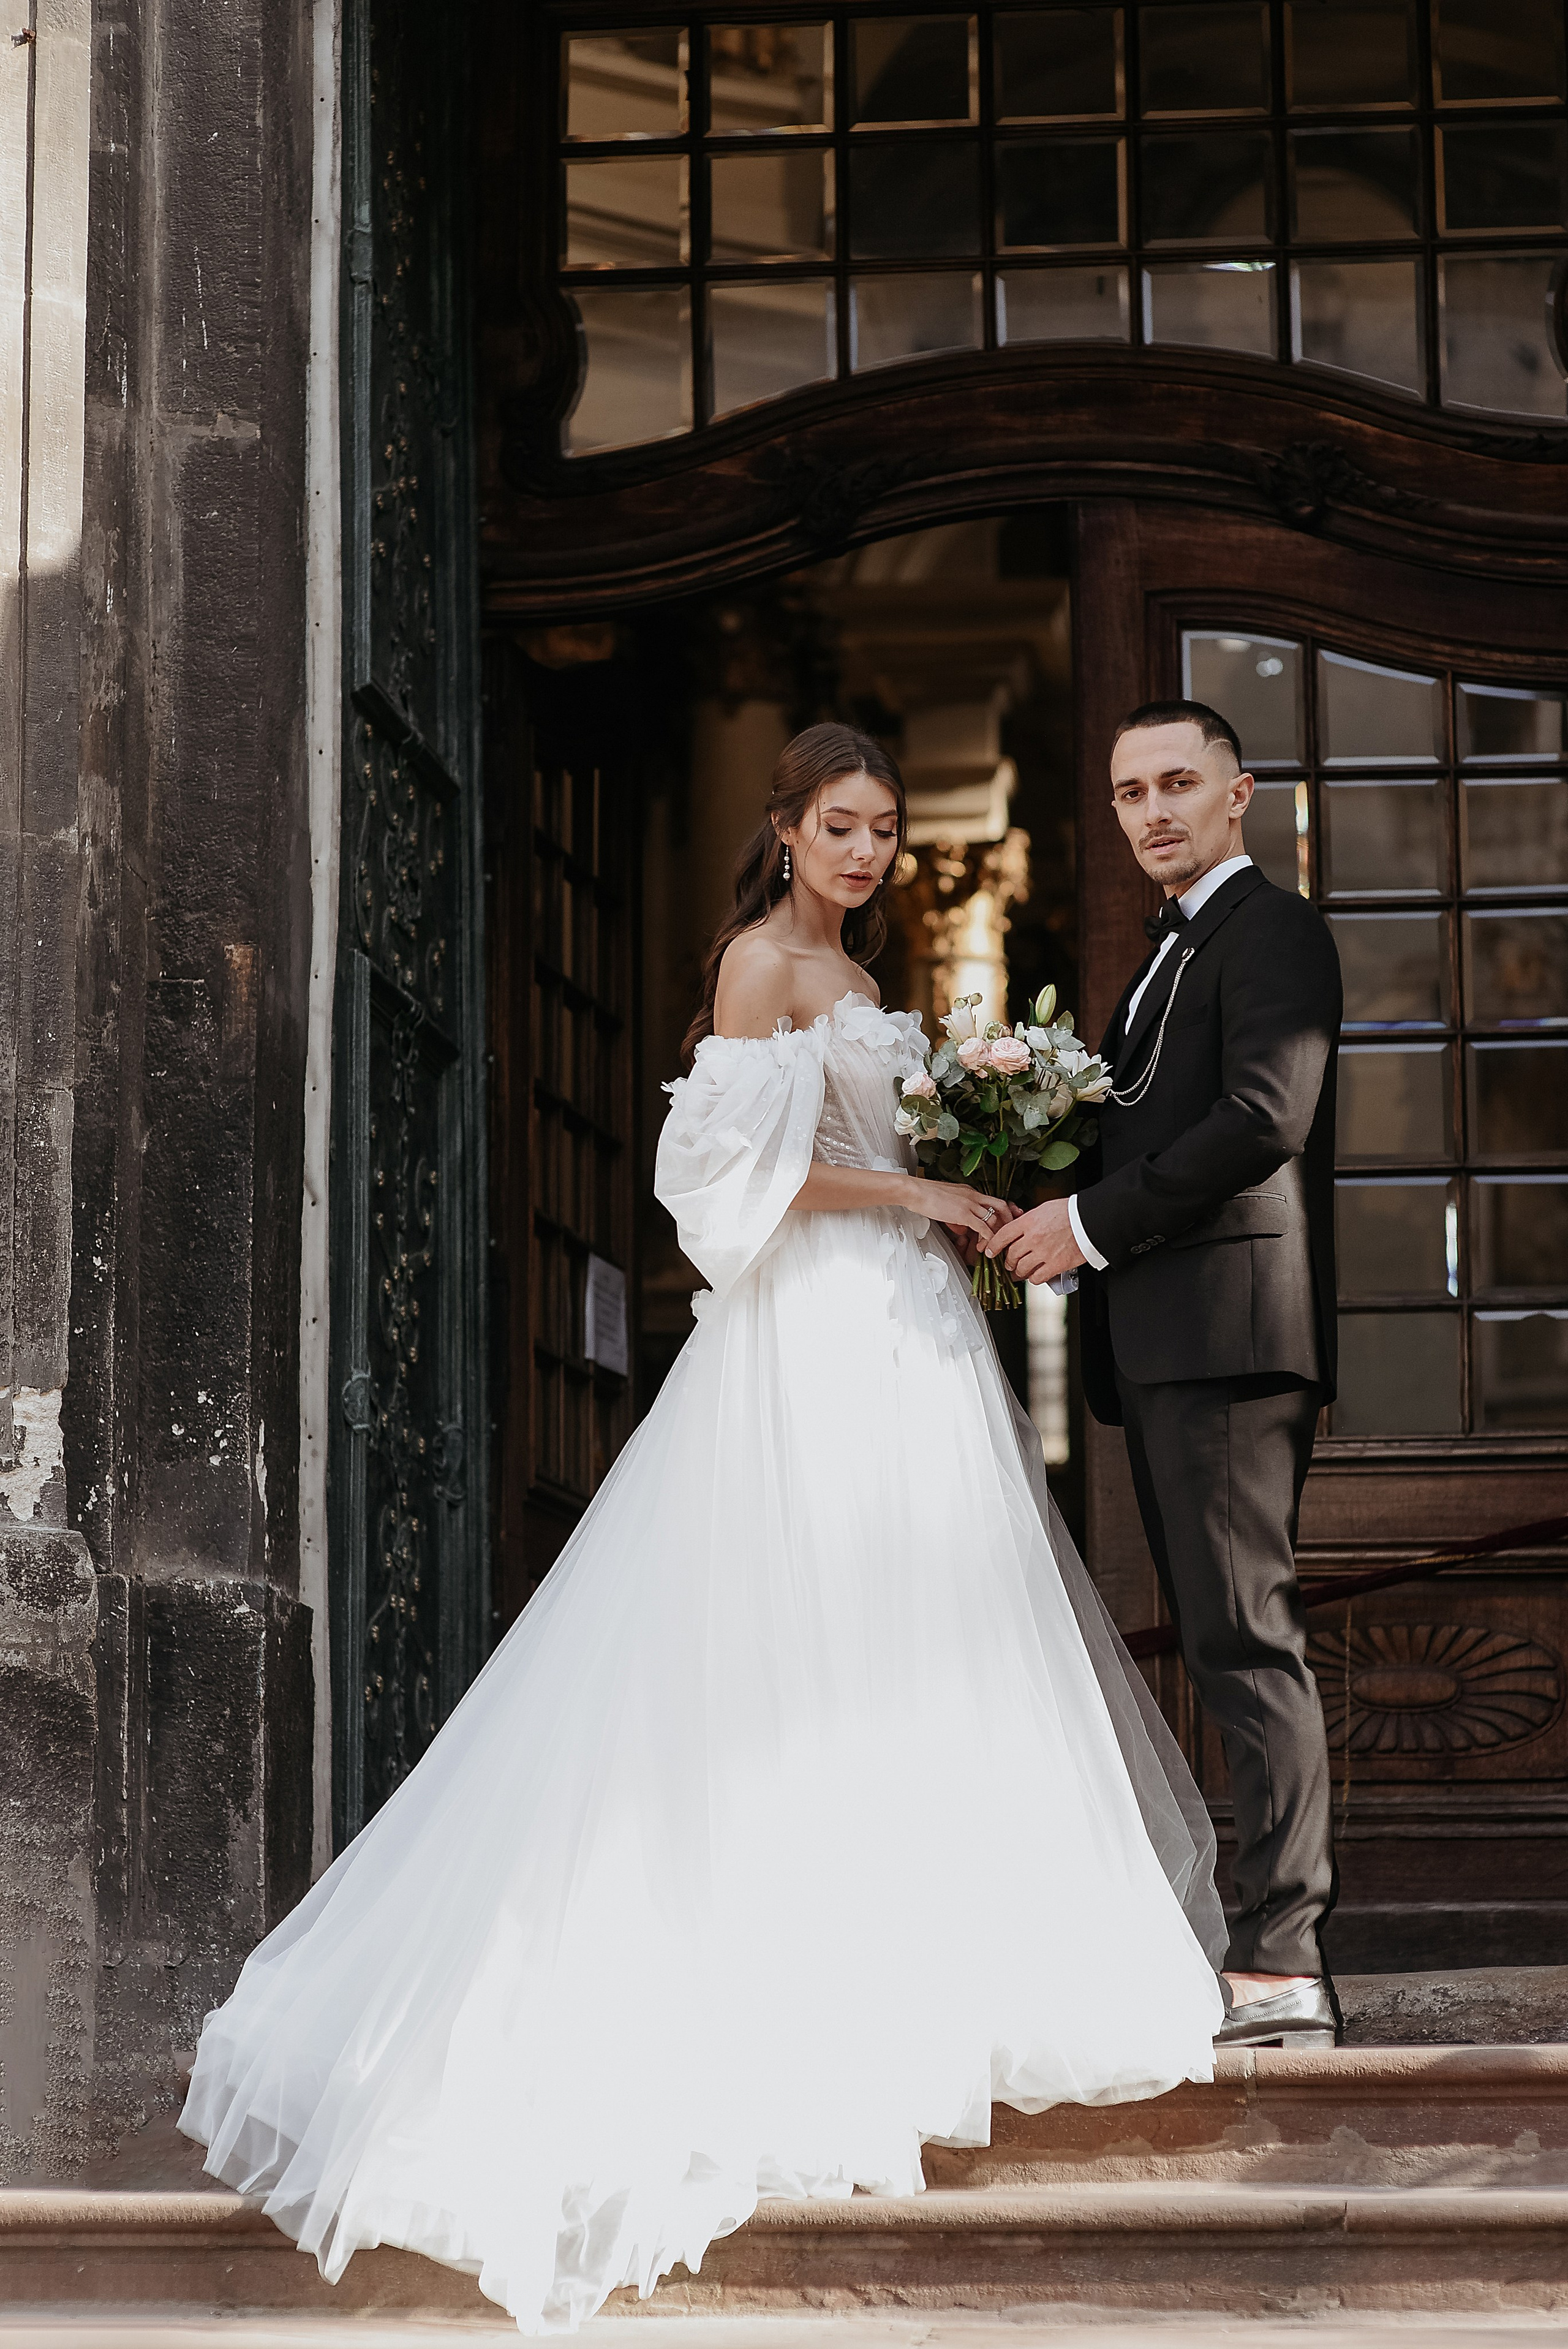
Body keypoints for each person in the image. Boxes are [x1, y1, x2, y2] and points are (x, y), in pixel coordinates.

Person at [180, 721, 1227, 2336]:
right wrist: (921, 1194)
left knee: (920, 1637)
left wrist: (971, 1158)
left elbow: (860, 1138)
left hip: (907, 1333)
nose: (867, 851)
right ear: (786, 829)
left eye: (886, 829)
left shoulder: (860, 977)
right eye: (842, 825)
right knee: (797, 1636)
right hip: (815, 1328)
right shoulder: (759, 964)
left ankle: (918, 1966)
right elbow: (742, 1178)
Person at [985, 699, 1343, 2049]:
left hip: (1231, 1339)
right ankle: (1264, 1949)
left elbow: (1264, 1115)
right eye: (1131, 792)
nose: (1152, 811)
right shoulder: (1161, 954)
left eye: (1178, 784)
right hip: (1166, 1343)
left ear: (1236, 793)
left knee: (1246, 1638)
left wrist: (1082, 1225)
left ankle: (1285, 1962)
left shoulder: (1273, 931)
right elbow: (1143, 1128)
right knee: (1218, 1639)